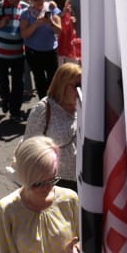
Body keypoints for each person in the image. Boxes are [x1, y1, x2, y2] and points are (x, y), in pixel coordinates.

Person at [24, 61, 81, 190]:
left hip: (82, 180)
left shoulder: (84, 107)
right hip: (52, 181)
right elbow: (29, 147)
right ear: (62, 85)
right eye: (77, 86)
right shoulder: (44, 109)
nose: (80, 90)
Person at [0, 0, 28, 123]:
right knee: (2, 81)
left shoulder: (24, 8)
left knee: (18, 83)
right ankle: (5, 99)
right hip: (1, 53)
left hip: (18, 53)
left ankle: (15, 111)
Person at [19, 0, 62, 100]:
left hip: (50, 50)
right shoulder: (26, 13)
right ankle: (44, 105)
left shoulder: (52, 9)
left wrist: (51, 23)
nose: (40, 1)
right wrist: (36, 24)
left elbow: (59, 30)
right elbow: (24, 34)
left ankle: (53, 104)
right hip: (34, 52)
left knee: (53, 79)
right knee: (40, 80)